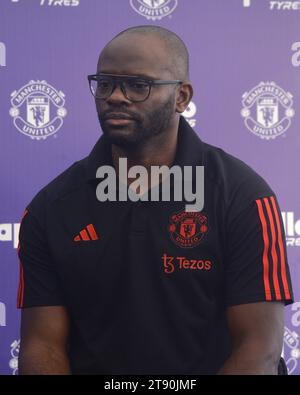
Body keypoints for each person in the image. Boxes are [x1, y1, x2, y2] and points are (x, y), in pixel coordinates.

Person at [17, 25, 293, 375]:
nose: (115, 96)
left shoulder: (244, 197)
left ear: (182, 97)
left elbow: (259, 350)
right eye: (105, 83)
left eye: (137, 85)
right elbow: (42, 347)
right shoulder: (51, 208)